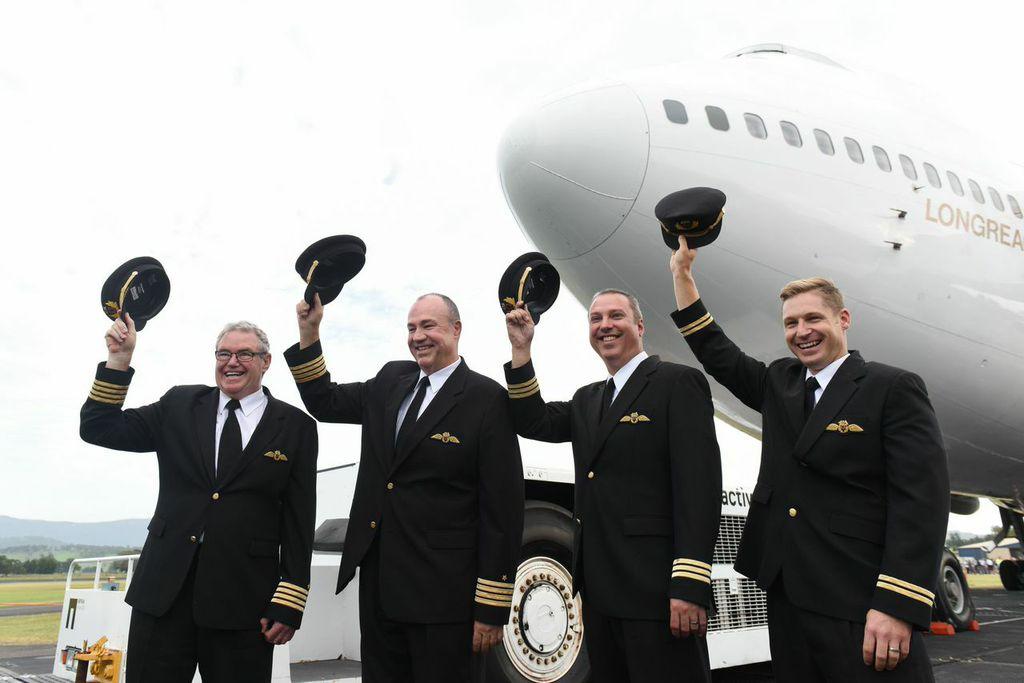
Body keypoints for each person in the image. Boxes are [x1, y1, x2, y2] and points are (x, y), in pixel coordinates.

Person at [668, 238, 949, 681]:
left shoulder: (891, 388)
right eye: (791, 323)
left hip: (858, 596)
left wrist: (897, 604)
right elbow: (714, 350)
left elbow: (922, 501)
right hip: (788, 595)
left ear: (843, 319)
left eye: (813, 318)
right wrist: (682, 276)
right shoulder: (780, 382)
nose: (802, 331)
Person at [285, 292, 524, 683]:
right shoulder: (390, 381)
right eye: (411, 328)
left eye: (428, 326)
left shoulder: (486, 398)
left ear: (456, 330)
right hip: (381, 589)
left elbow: (503, 510)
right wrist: (309, 332)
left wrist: (491, 609)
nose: (418, 336)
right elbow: (324, 401)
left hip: (446, 598)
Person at [80, 315, 318, 683]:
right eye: (223, 354)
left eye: (244, 354)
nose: (232, 362)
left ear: (266, 362)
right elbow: (98, 427)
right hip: (163, 595)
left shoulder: (296, 426)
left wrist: (290, 599)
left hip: (244, 601)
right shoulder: (180, 404)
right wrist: (119, 359)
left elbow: (299, 519)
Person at [503, 289, 721, 683]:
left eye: (615, 316)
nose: (605, 325)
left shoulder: (677, 382)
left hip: (657, 592)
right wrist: (522, 350)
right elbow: (532, 421)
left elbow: (699, 488)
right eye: (596, 318)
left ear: (640, 326)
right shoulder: (588, 399)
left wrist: (690, 584)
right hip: (600, 594)